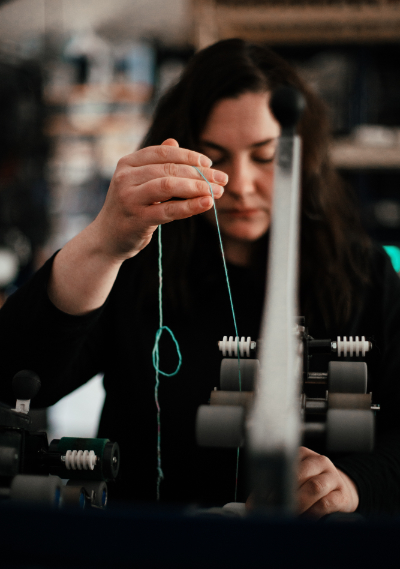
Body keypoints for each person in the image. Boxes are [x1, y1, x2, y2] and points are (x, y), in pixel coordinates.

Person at [1, 38, 400, 516]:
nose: (243, 185)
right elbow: (18, 377)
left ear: (305, 155)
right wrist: (103, 243)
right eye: (216, 159)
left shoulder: (366, 274)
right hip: (150, 567)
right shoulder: (138, 265)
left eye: (266, 155)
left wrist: (354, 486)